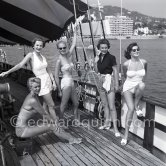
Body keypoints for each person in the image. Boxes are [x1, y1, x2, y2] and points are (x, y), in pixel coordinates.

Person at [0, 38, 57, 121]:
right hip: (41, 82)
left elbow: (48, 70)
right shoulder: (31, 55)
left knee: (45, 103)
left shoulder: (43, 57)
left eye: (41, 45)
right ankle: (57, 125)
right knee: (51, 105)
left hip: (48, 81)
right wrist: (7, 72)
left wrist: (53, 81)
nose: (39, 47)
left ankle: (46, 121)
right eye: (37, 45)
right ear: (33, 46)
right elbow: (20, 65)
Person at [15, 77, 82, 144]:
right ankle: (71, 139)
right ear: (30, 88)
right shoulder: (32, 100)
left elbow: (44, 111)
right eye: (35, 87)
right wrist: (54, 123)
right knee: (52, 126)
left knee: (53, 123)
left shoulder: (33, 96)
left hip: (25, 126)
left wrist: (54, 121)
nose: (38, 88)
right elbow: (44, 114)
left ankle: (70, 137)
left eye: (39, 86)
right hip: (22, 131)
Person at [121, 42, 147, 145]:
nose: (137, 51)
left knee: (142, 85)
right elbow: (124, 76)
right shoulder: (126, 64)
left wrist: (141, 83)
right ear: (130, 52)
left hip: (138, 86)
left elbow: (145, 75)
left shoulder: (144, 62)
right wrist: (122, 88)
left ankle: (136, 105)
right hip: (128, 87)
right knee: (130, 109)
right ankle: (126, 136)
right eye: (134, 50)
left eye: (138, 49)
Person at [94, 39, 120, 137]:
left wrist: (117, 84)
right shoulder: (98, 57)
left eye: (105, 47)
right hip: (100, 80)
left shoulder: (111, 57)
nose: (104, 49)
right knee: (105, 104)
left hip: (109, 81)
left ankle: (116, 129)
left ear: (108, 47)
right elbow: (96, 71)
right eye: (102, 48)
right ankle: (106, 124)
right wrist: (95, 60)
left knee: (112, 106)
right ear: (99, 48)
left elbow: (115, 71)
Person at [55, 27, 79, 124]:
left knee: (76, 103)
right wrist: (59, 90)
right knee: (64, 104)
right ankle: (60, 121)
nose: (62, 49)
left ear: (66, 47)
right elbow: (56, 76)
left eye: (64, 47)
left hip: (71, 81)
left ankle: (75, 119)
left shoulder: (69, 55)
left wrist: (76, 32)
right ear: (58, 49)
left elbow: (73, 43)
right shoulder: (59, 60)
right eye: (60, 48)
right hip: (65, 82)